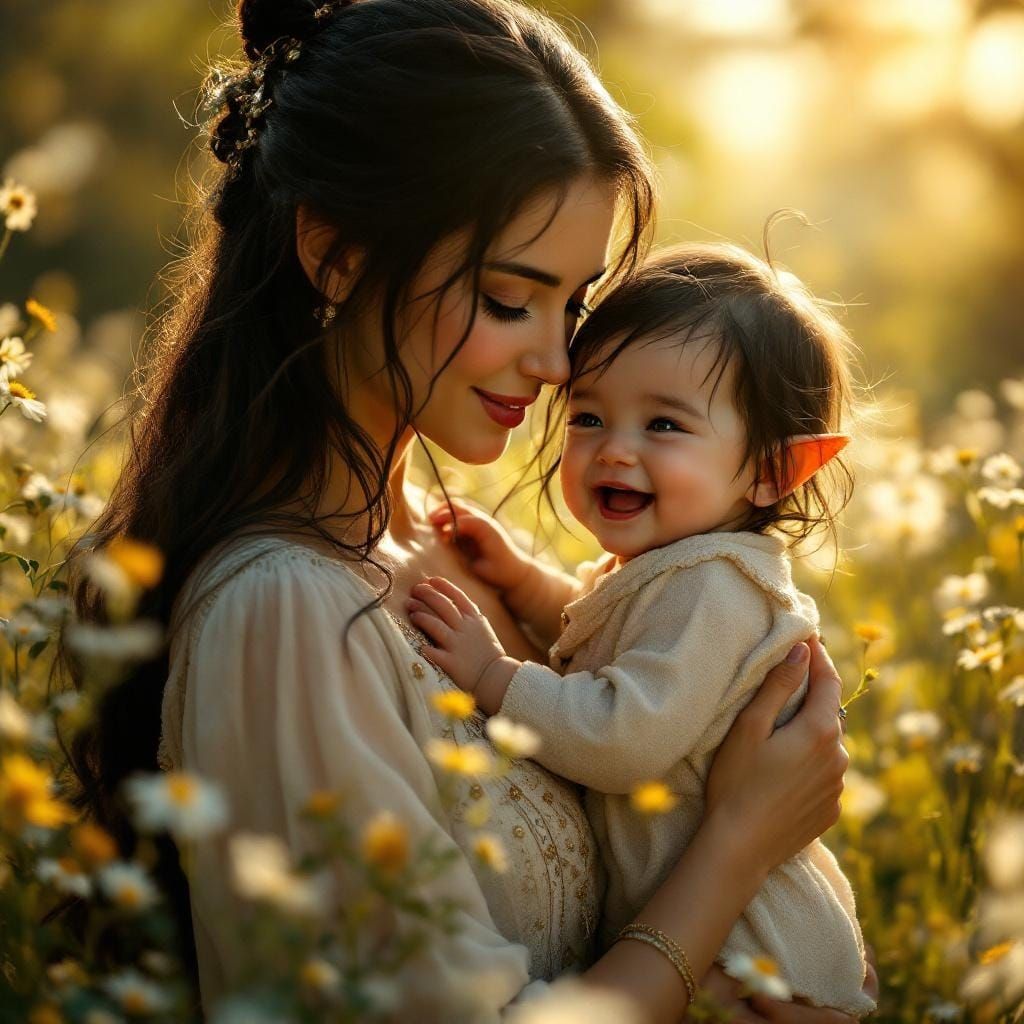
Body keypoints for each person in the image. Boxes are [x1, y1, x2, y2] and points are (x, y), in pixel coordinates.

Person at [61, 1, 870, 1020]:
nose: (556, 360)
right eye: (506, 299)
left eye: (570, 305)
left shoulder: (454, 551)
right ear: (337, 256)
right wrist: (738, 845)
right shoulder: (286, 619)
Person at [408, 242, 876, 1016]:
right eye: (589, 415)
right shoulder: (679, 569)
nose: (614, 448)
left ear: (773, 472)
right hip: (711, 934)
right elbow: (618, 641)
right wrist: (525, 580)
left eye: (664, 424)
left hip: (752, 957)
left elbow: (627, 733)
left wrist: (495, 680)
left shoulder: (715, 587)